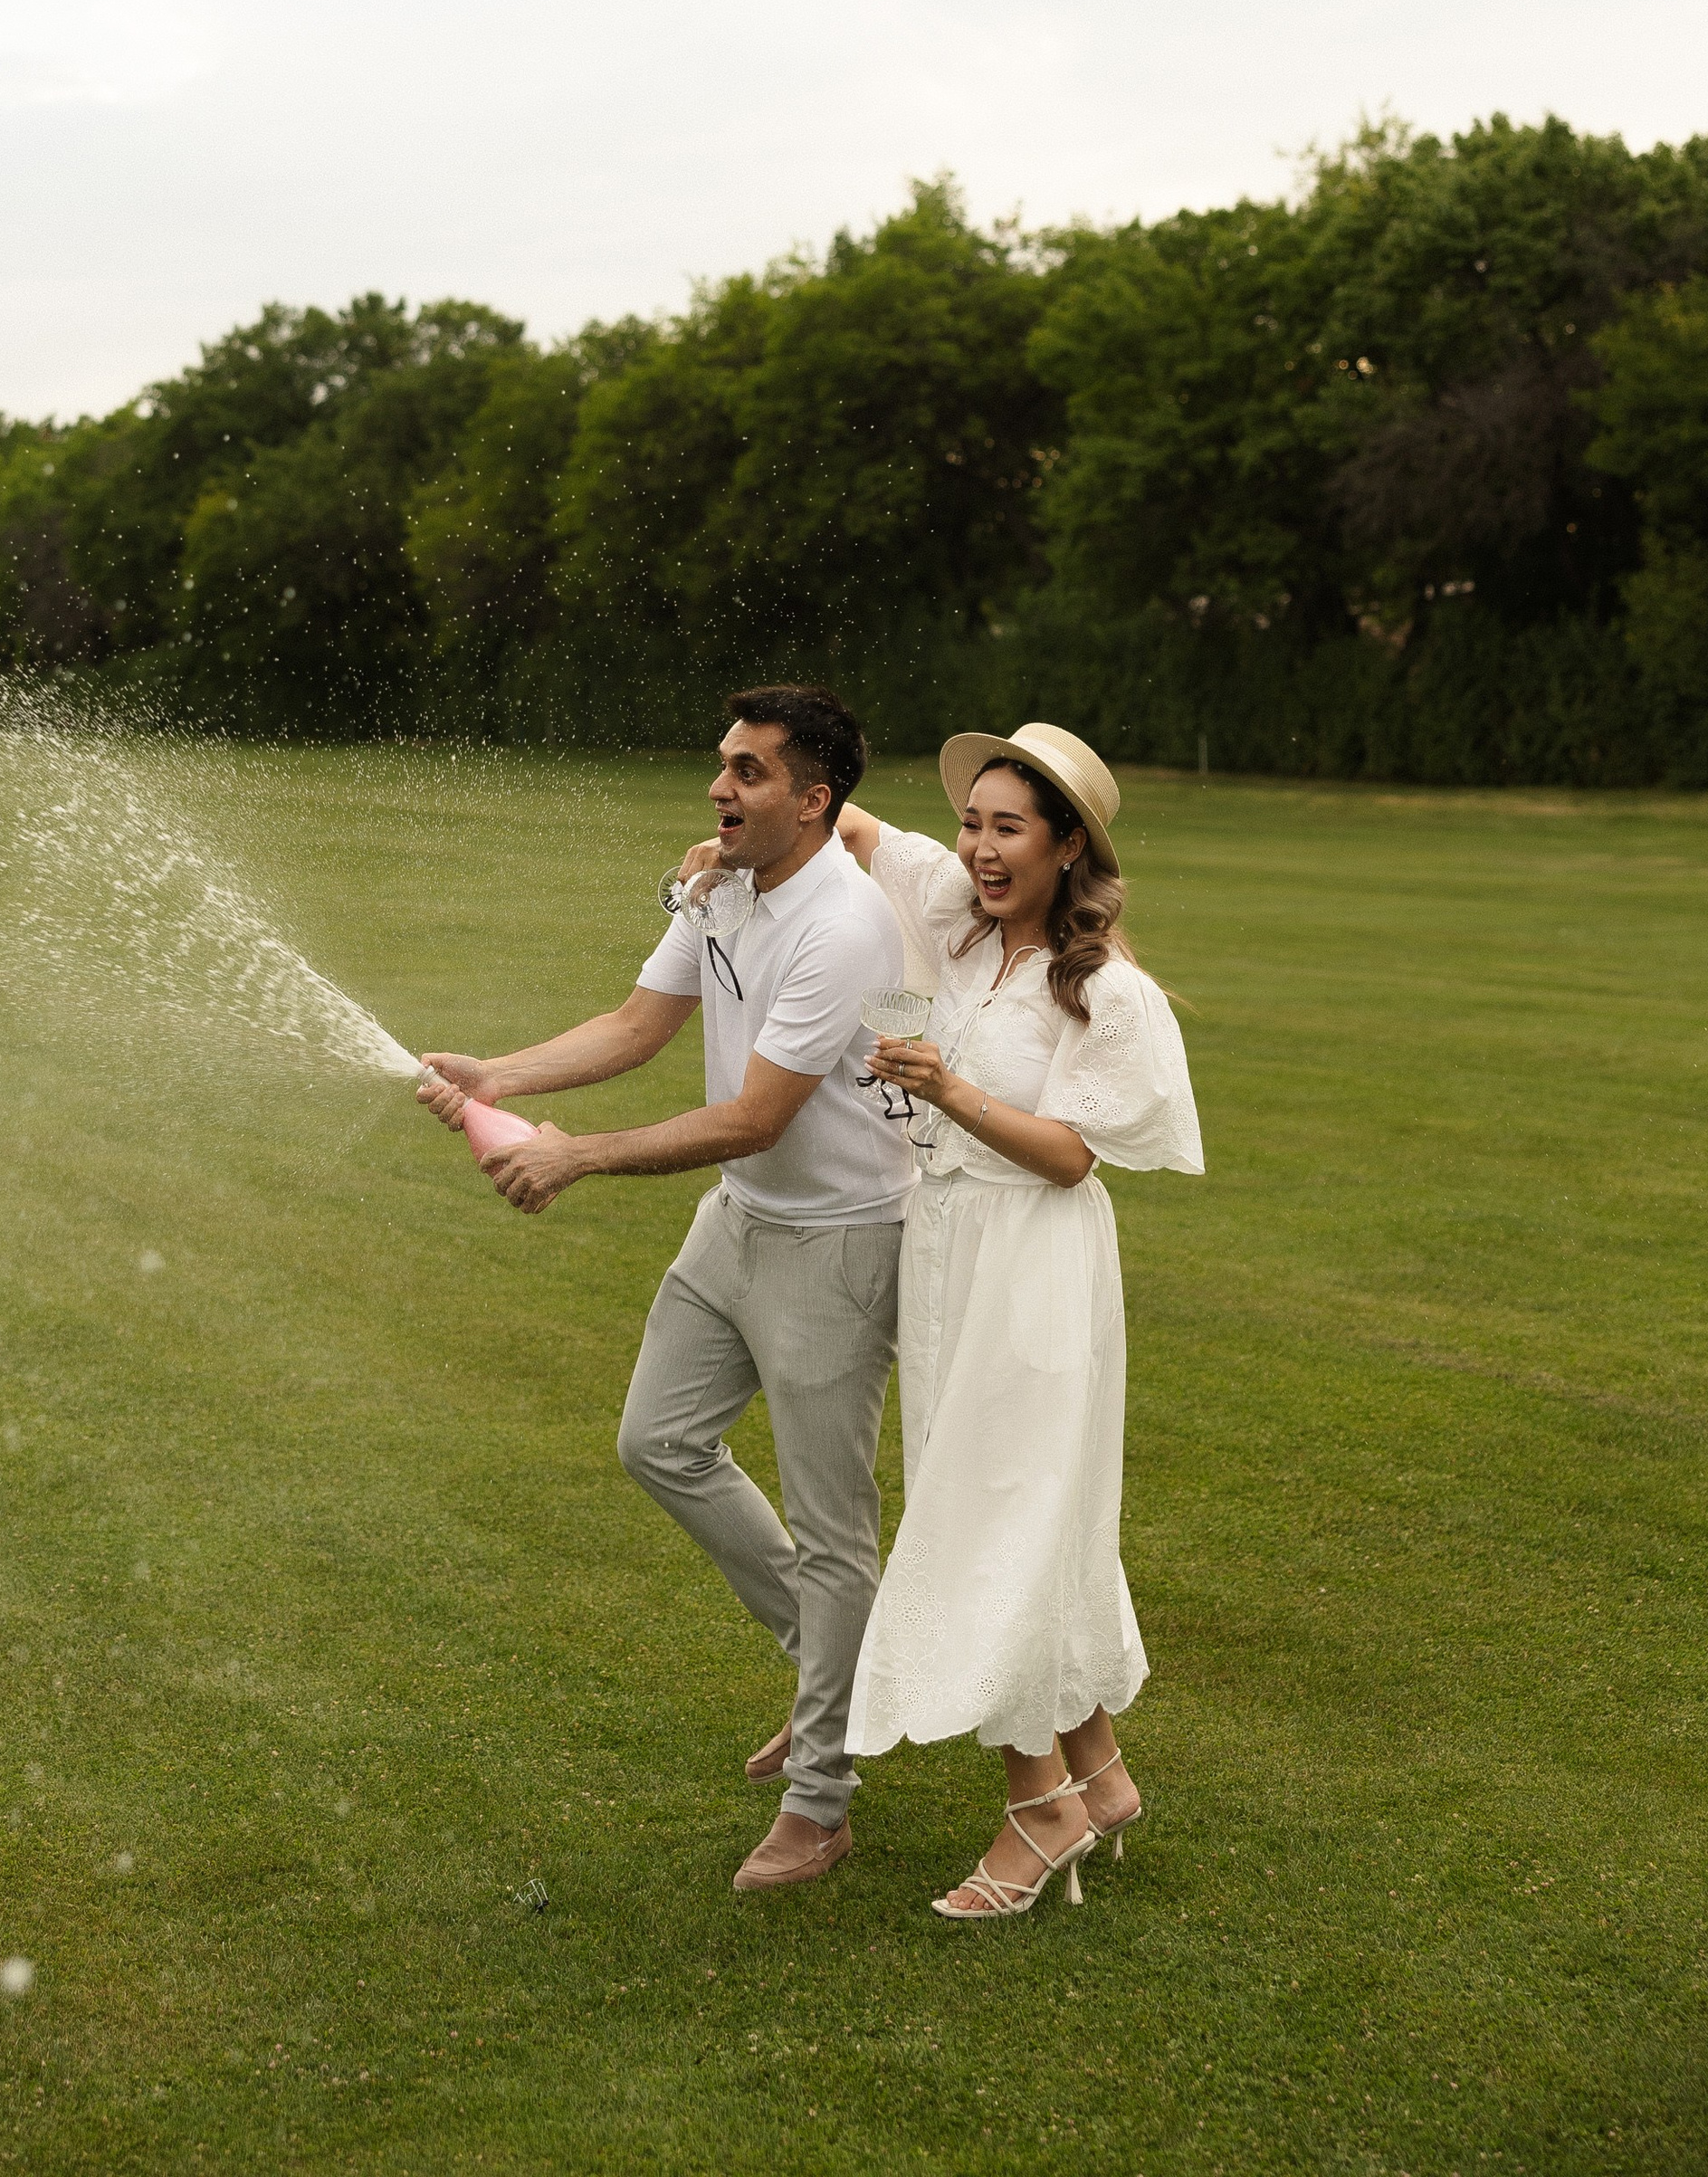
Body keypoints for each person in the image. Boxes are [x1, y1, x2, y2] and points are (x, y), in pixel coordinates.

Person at [415, 684, 910, 1894]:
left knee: (836, 1530)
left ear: (813, 797)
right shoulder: (727, 886)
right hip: (739, 1224)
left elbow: (752, 1115)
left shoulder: (847, 926)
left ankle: (822, 1802)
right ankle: (828, 1671)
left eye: (747, 772)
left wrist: (572, 1154)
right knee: (659, 1441)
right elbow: (641, 1024)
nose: (717, 790)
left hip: (842, 1244)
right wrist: (500, 1069)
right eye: (722, 767)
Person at [835, 722, 1202, 1922]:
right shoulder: (959, 921)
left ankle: (1041, 1807)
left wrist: (949, 1087)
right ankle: (1098, 1774)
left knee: (993, 1519)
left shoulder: (1105, 992)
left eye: (1009, 829)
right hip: (947, 1252)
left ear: (1065, 846)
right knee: (994, 1502)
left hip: (1035, 1266)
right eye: (973, 823)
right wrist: (713, 850)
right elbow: (841, 822)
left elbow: (1066, 1158)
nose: (981, 849)